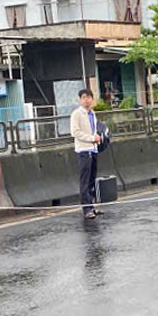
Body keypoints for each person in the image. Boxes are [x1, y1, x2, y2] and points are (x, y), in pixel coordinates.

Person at [70, 88, 103, 219]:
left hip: (93, 149)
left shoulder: (92, 113)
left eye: (89, 97)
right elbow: (75, 132)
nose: (86, 100)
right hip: (83, 150)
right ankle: (86, 208)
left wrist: (98, 137)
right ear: (80, 99)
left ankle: (92, 206)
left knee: (91, 179)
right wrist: (91, 138)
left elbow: (94, 129)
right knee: (84, 180)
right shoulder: (76, 114)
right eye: (84, 97)